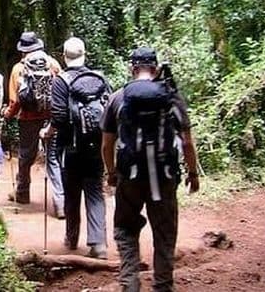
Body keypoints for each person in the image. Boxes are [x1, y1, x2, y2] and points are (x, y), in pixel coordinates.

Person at [101, 47, 201, 292]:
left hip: (130, 177)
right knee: (165, 233)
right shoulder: (171, 97)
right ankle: (163, 286)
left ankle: (130, 283)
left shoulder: (118, 97)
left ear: (133, 69)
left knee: (125, 229)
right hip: (165, 176)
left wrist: (111, 172)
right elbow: (186, 141)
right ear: (155, 69)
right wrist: (192, 172)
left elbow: (106, 144)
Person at [43, 37, 109, 259]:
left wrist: (48, 132)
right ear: (85, 54)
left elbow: (60, 116)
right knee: (95, 192)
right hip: (97, 146)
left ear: (64, 56)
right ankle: (98, 244)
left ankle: (72, 238)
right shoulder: (98, 78)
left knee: (71, 191)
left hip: (69, 147)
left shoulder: (61, 80)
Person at [3, 32, 64, 216]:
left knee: (25, 156)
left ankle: (22, 192)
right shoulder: (53, 64)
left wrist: (8, 114)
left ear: (23, 50)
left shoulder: (18, 69)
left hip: (28, 118)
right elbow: (61, 91)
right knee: (53, 159)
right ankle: (60, 203)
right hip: (51, 117)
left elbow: (15, 100)